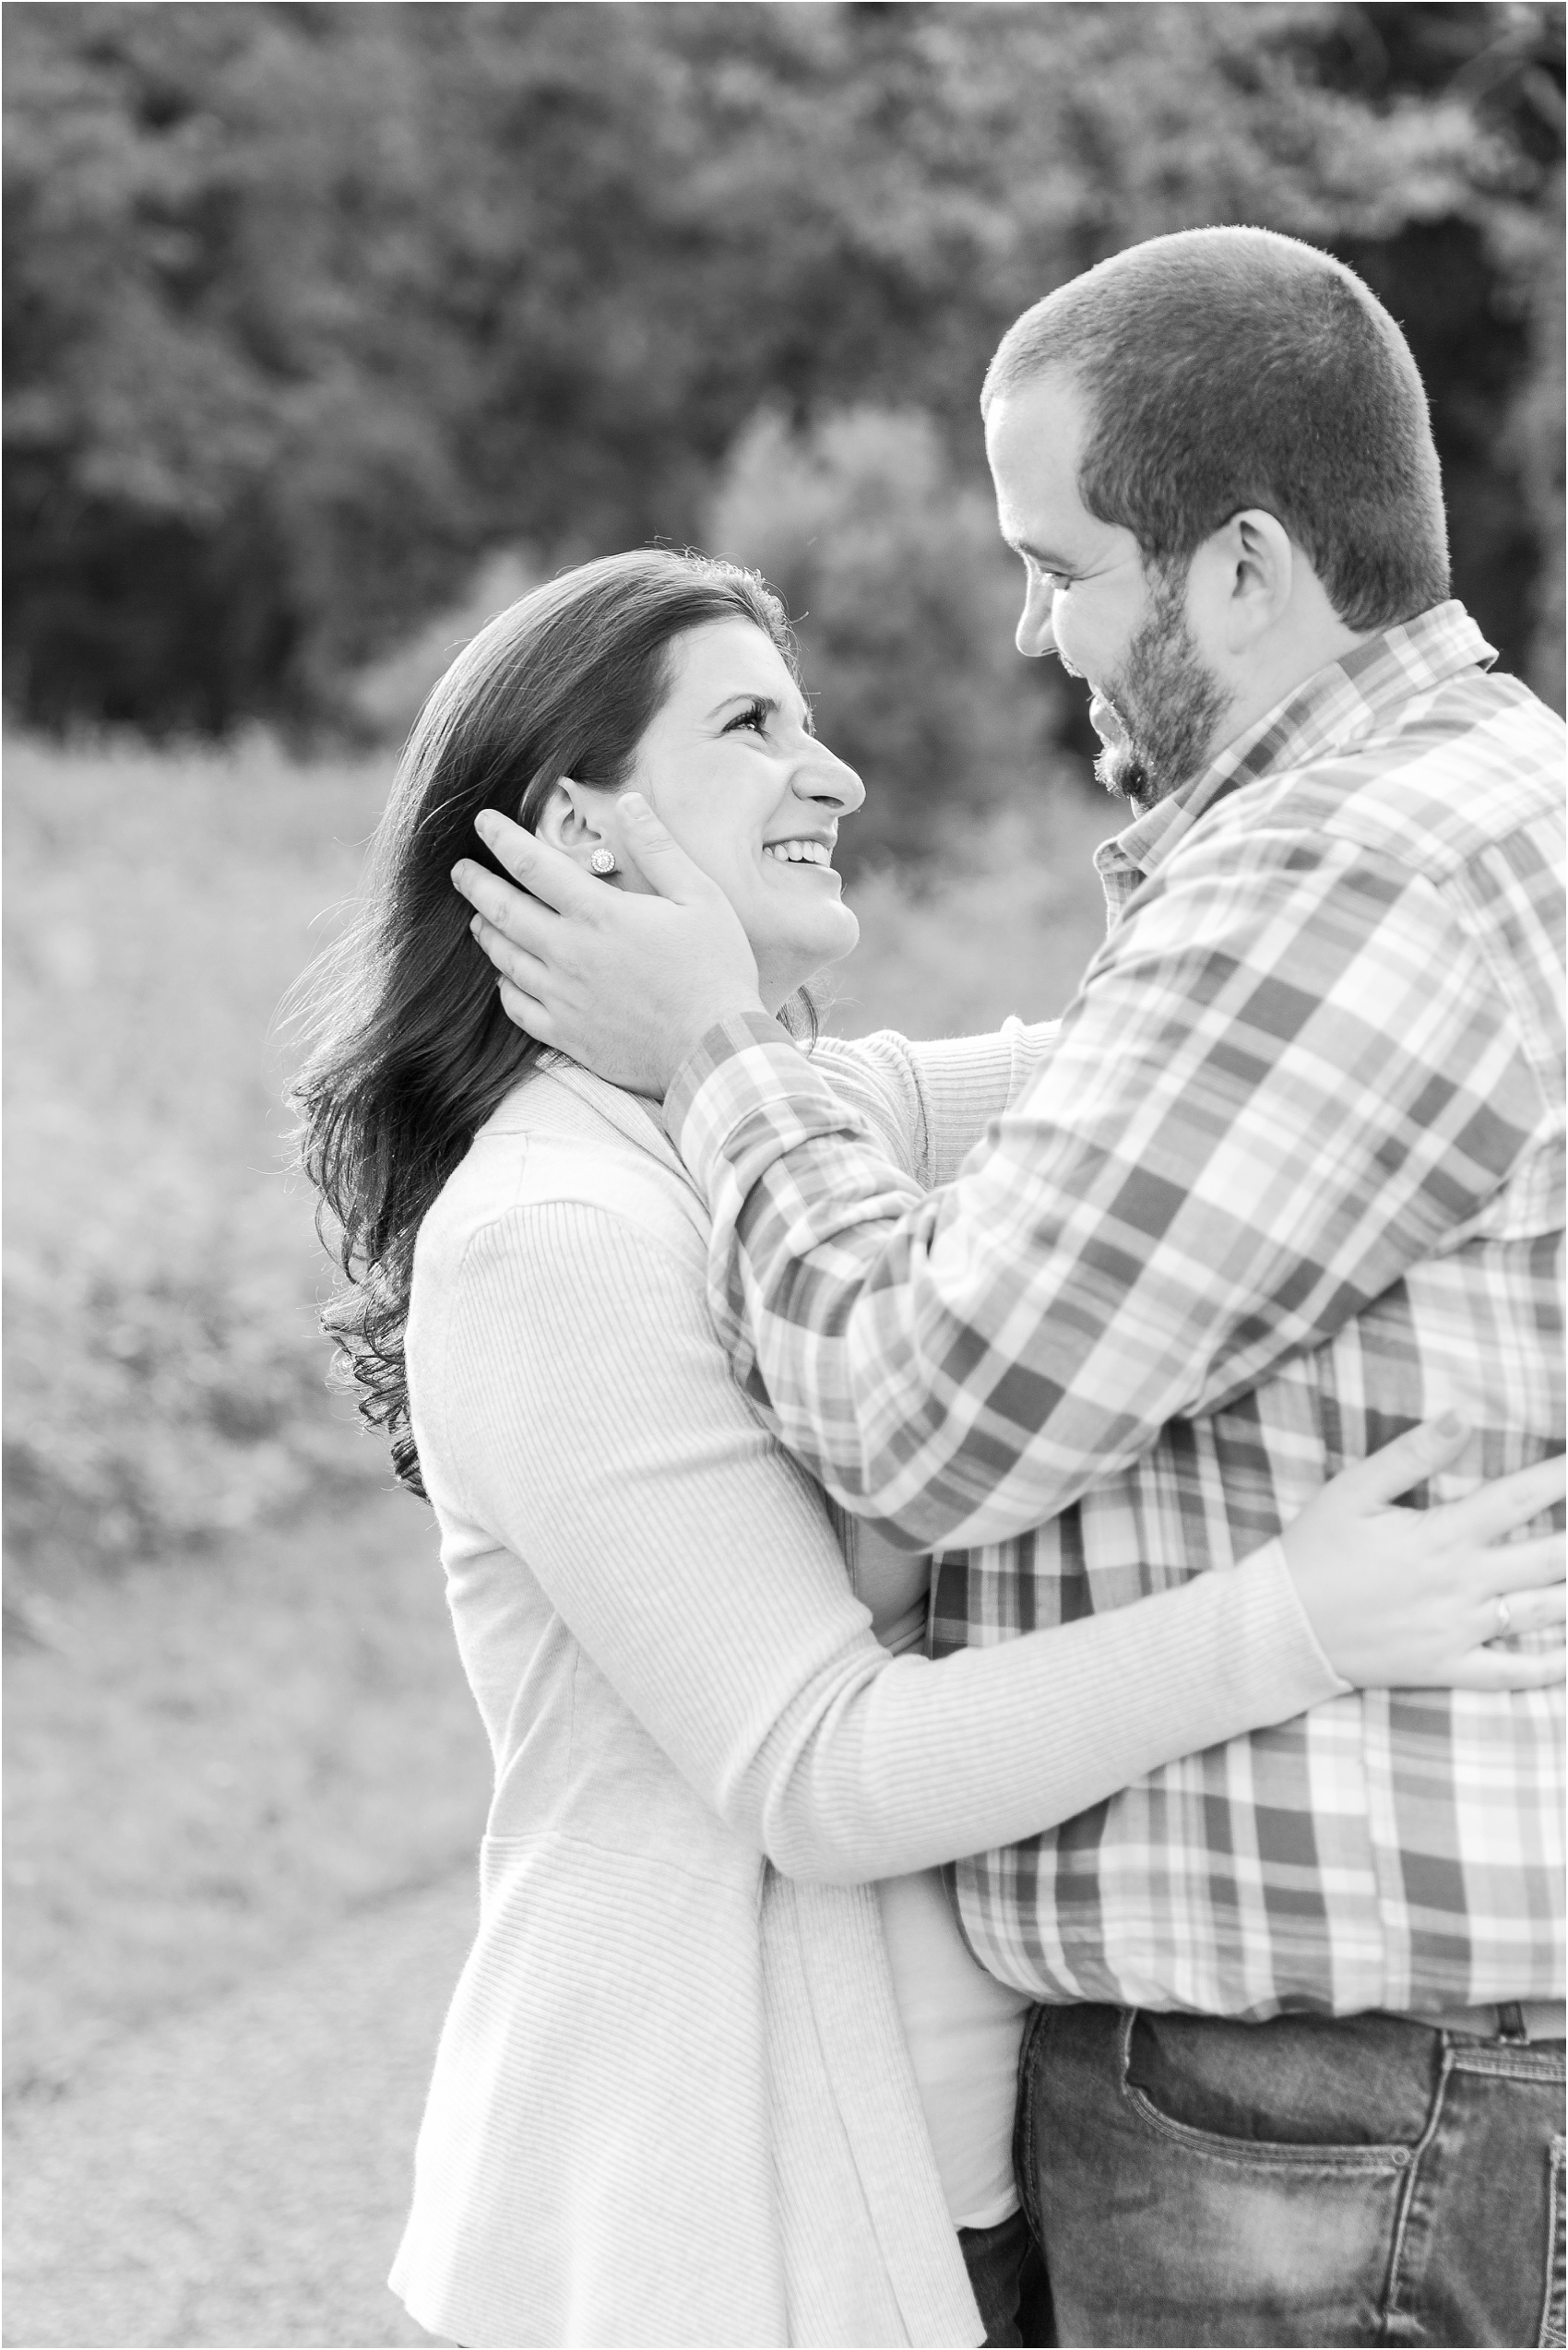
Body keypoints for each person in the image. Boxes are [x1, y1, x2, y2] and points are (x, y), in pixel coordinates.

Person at [455, 229, 1568, 2348]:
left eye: (1058, 562)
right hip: (1275, 2104)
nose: (1028, 627)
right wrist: (729, 1056)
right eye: (751, 729)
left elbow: (922, 1411)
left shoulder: (1342, 863)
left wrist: (712, 1048)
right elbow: (1049, 1096)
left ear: (1236, 571)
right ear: (576, 835)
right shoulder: (1471, 810)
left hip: (1320, 2107)